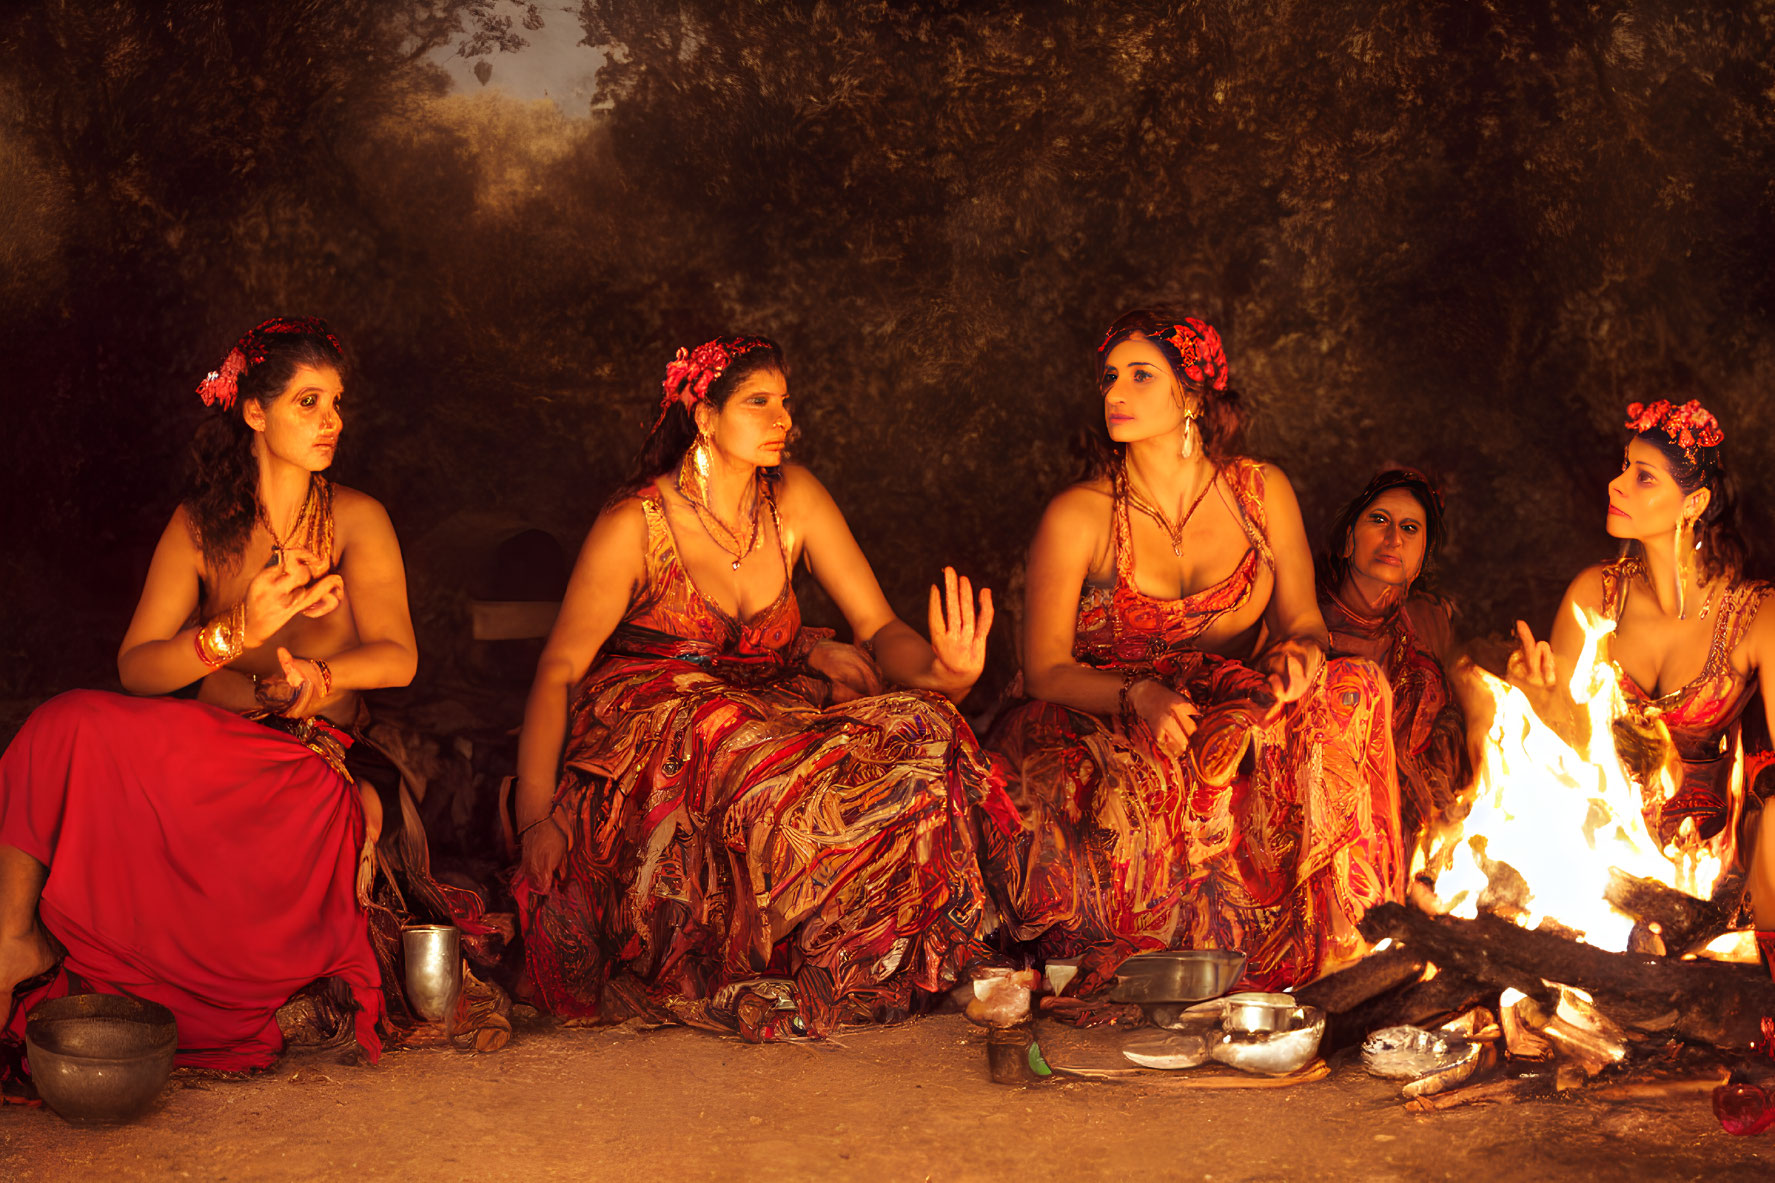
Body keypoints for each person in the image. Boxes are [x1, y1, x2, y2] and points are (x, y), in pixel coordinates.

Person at [511, 335, 1014, 1040]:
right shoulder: (637, 523)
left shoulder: (795, 497)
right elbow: (559, 666)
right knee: (740, 740)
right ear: (704, 416)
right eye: (758, 402)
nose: (782, 418)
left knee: (924, 726)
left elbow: (877, 625)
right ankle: (779, 956)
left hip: (769, 711)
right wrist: (536, 814)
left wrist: (942, 672)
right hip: (660, 722)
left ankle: (876, 955)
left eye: (784, 402)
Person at [0, 318, 419, 1074]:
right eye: (309, 403)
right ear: (253, 411)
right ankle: (11, 937)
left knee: (284, 806)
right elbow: (137, 668)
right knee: (61, 723)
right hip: (211, 742)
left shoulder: (357, 518)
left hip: (308, 761)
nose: (333, 421)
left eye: (336, 402)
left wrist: (318, 680)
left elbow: (399, 658)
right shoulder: (200, 527)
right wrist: (235, 629)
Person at [986, 309, 1404, 994]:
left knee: (1354, 686)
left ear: (1192, 394)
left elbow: (1304, 621)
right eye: (1110, 377)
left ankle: (1351, 947)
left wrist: (1296, 658)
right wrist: (1136, 695)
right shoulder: (1081, 514)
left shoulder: (1259, 491)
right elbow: (1044, 669)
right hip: (1092, 712)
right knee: (1157, 766)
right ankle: (1172, 961)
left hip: (1216, 695)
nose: (1114, 392)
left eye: (1140, 375)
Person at [1507, 398, 1775, 971]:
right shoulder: (1594, 595)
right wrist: (1532, 700)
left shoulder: (1757, 616)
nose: (1617, 483)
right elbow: (1563, 758)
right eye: (1623, 466)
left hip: (1713, 863)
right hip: (1600, 854)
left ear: (1694, 503)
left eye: (1642, 476)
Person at [1319, 469, 1469, 861]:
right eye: (1380, 520)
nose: (1394, 538)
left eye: (1409, 528)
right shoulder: (1300, 620)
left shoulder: (1427, 625)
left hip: (1413, 849)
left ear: (1420, 562)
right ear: (1349, 539)